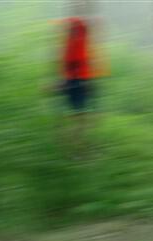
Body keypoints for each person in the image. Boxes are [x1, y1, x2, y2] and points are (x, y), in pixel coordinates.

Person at [60, 16, 96, 158]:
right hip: (76, 83)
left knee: (78, 119)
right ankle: (76, 151)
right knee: (79, 120)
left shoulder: (72, 45)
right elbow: (73, 68)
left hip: (75, 82)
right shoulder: (72, 46)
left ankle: (76, 149)